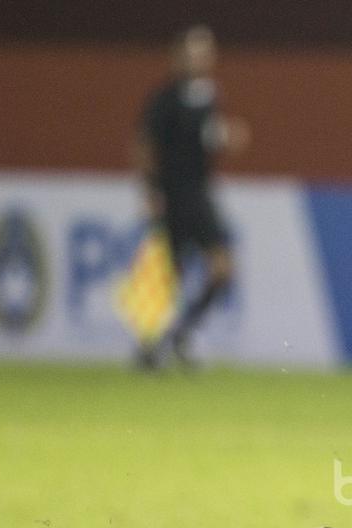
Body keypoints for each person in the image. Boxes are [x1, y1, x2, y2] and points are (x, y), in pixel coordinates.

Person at [133, 24, 249, 368]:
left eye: (206, 51)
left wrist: (227, 137)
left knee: (222, 269)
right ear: (179, 55)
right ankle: (152, 346)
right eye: (195, 51)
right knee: (172, 275)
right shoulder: (164, 98)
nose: (201, 58)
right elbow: (143, 146)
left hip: (201, 195)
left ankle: (182, 334)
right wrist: (152, 190)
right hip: (173, 194)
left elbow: (206, 138)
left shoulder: (210, 95)